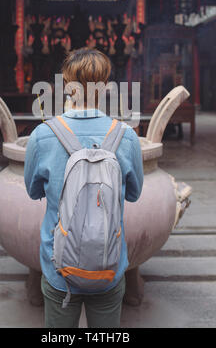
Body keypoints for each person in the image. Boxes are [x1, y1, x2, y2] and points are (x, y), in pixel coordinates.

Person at [24, 47, 143, 328]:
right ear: (105, 88)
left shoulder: (43, 135)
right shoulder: (126, 136)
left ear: (67, 87)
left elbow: (33, 191)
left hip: (58, 266)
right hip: (109, 265)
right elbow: (134, 193)